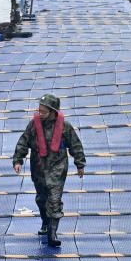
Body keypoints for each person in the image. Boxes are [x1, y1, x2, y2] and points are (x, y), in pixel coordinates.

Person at [12, 94, 86, 247]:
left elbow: (75, 145)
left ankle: (52, 234)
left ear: (53, 111)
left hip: (57, 168)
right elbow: (23, 142)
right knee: (41, 199)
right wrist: (18, 160)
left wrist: (80, 164)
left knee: (54, 199)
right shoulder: (33, 125)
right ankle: (45, 222)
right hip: (38, 167)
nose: (40, 114)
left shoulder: (65, 126)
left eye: (44, 111)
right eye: (39, 110)